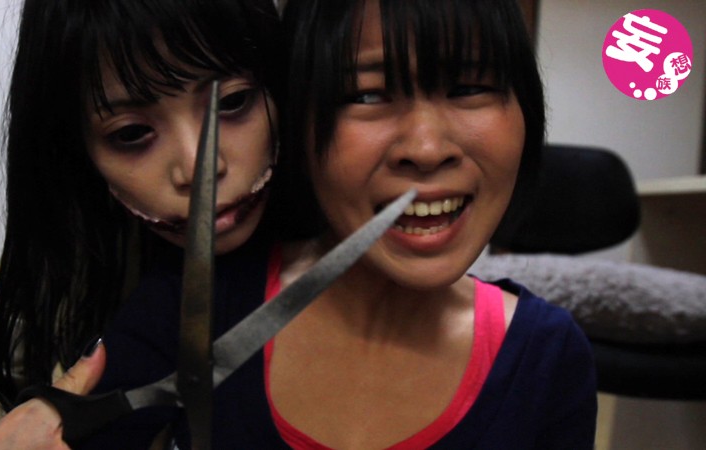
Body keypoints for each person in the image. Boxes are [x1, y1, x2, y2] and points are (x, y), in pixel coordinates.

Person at [82, 0, 597, 448]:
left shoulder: (549, 358)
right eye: (368, 95)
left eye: (469, 88)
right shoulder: (193, 303)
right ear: (298, 118)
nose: (426, 148)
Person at [0, 0, 285, 448]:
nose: (197, 167)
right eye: (131, 133)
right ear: (79, 151)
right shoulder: (76, 251)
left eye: (234, 102)